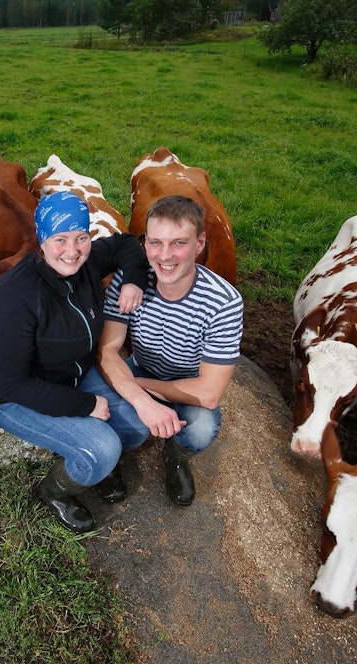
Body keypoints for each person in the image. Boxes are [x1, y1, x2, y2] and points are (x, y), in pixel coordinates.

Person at [0, 191, 149, 533]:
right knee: (103, 449)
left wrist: (133, 279)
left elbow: (127, 244)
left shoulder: (89, 261)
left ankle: (93, 457)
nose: (72, 251)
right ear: (42, 239)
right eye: (60, 239)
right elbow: (11, 383)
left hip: (73, 372)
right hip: (11, 398)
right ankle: (55, 491)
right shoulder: (11, 298)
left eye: (81, 237)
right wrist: (85, 405)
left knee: (138, 426)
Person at [91, 194, 243, 506]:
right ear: (145, 244)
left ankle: (176, 457)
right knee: (97, 402)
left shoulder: (224, 302)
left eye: (179, 243)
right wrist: (137, 393)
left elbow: (210, 393)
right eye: (156, 243)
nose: (165, 255)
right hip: (141, 365)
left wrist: (142, 389)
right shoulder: (129, 280)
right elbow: (108, 350)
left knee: (201, 429)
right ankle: (107, 460)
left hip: (189, 381)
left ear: (200, 244)